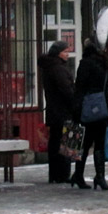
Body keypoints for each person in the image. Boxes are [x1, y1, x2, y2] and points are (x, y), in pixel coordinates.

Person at [72, 38, 108, 190]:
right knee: (99, 143)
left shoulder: (86, 63)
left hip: (86, 107)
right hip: (101, 107)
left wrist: (76, 109)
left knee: (83, 144)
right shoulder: (105, 63)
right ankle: (99, 176)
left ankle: (79, 175)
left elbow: (79, 86)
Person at [37, 41, 74, 184]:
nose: (68, 54)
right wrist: (75, 102)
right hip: (64, 111)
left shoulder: (49, 67)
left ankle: (54, 174)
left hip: (53, 111)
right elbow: (67, 90)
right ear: (58, 53)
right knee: (66, 143)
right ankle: (63, 174)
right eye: (65, 52)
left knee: (55, 142)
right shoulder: (58, 69)